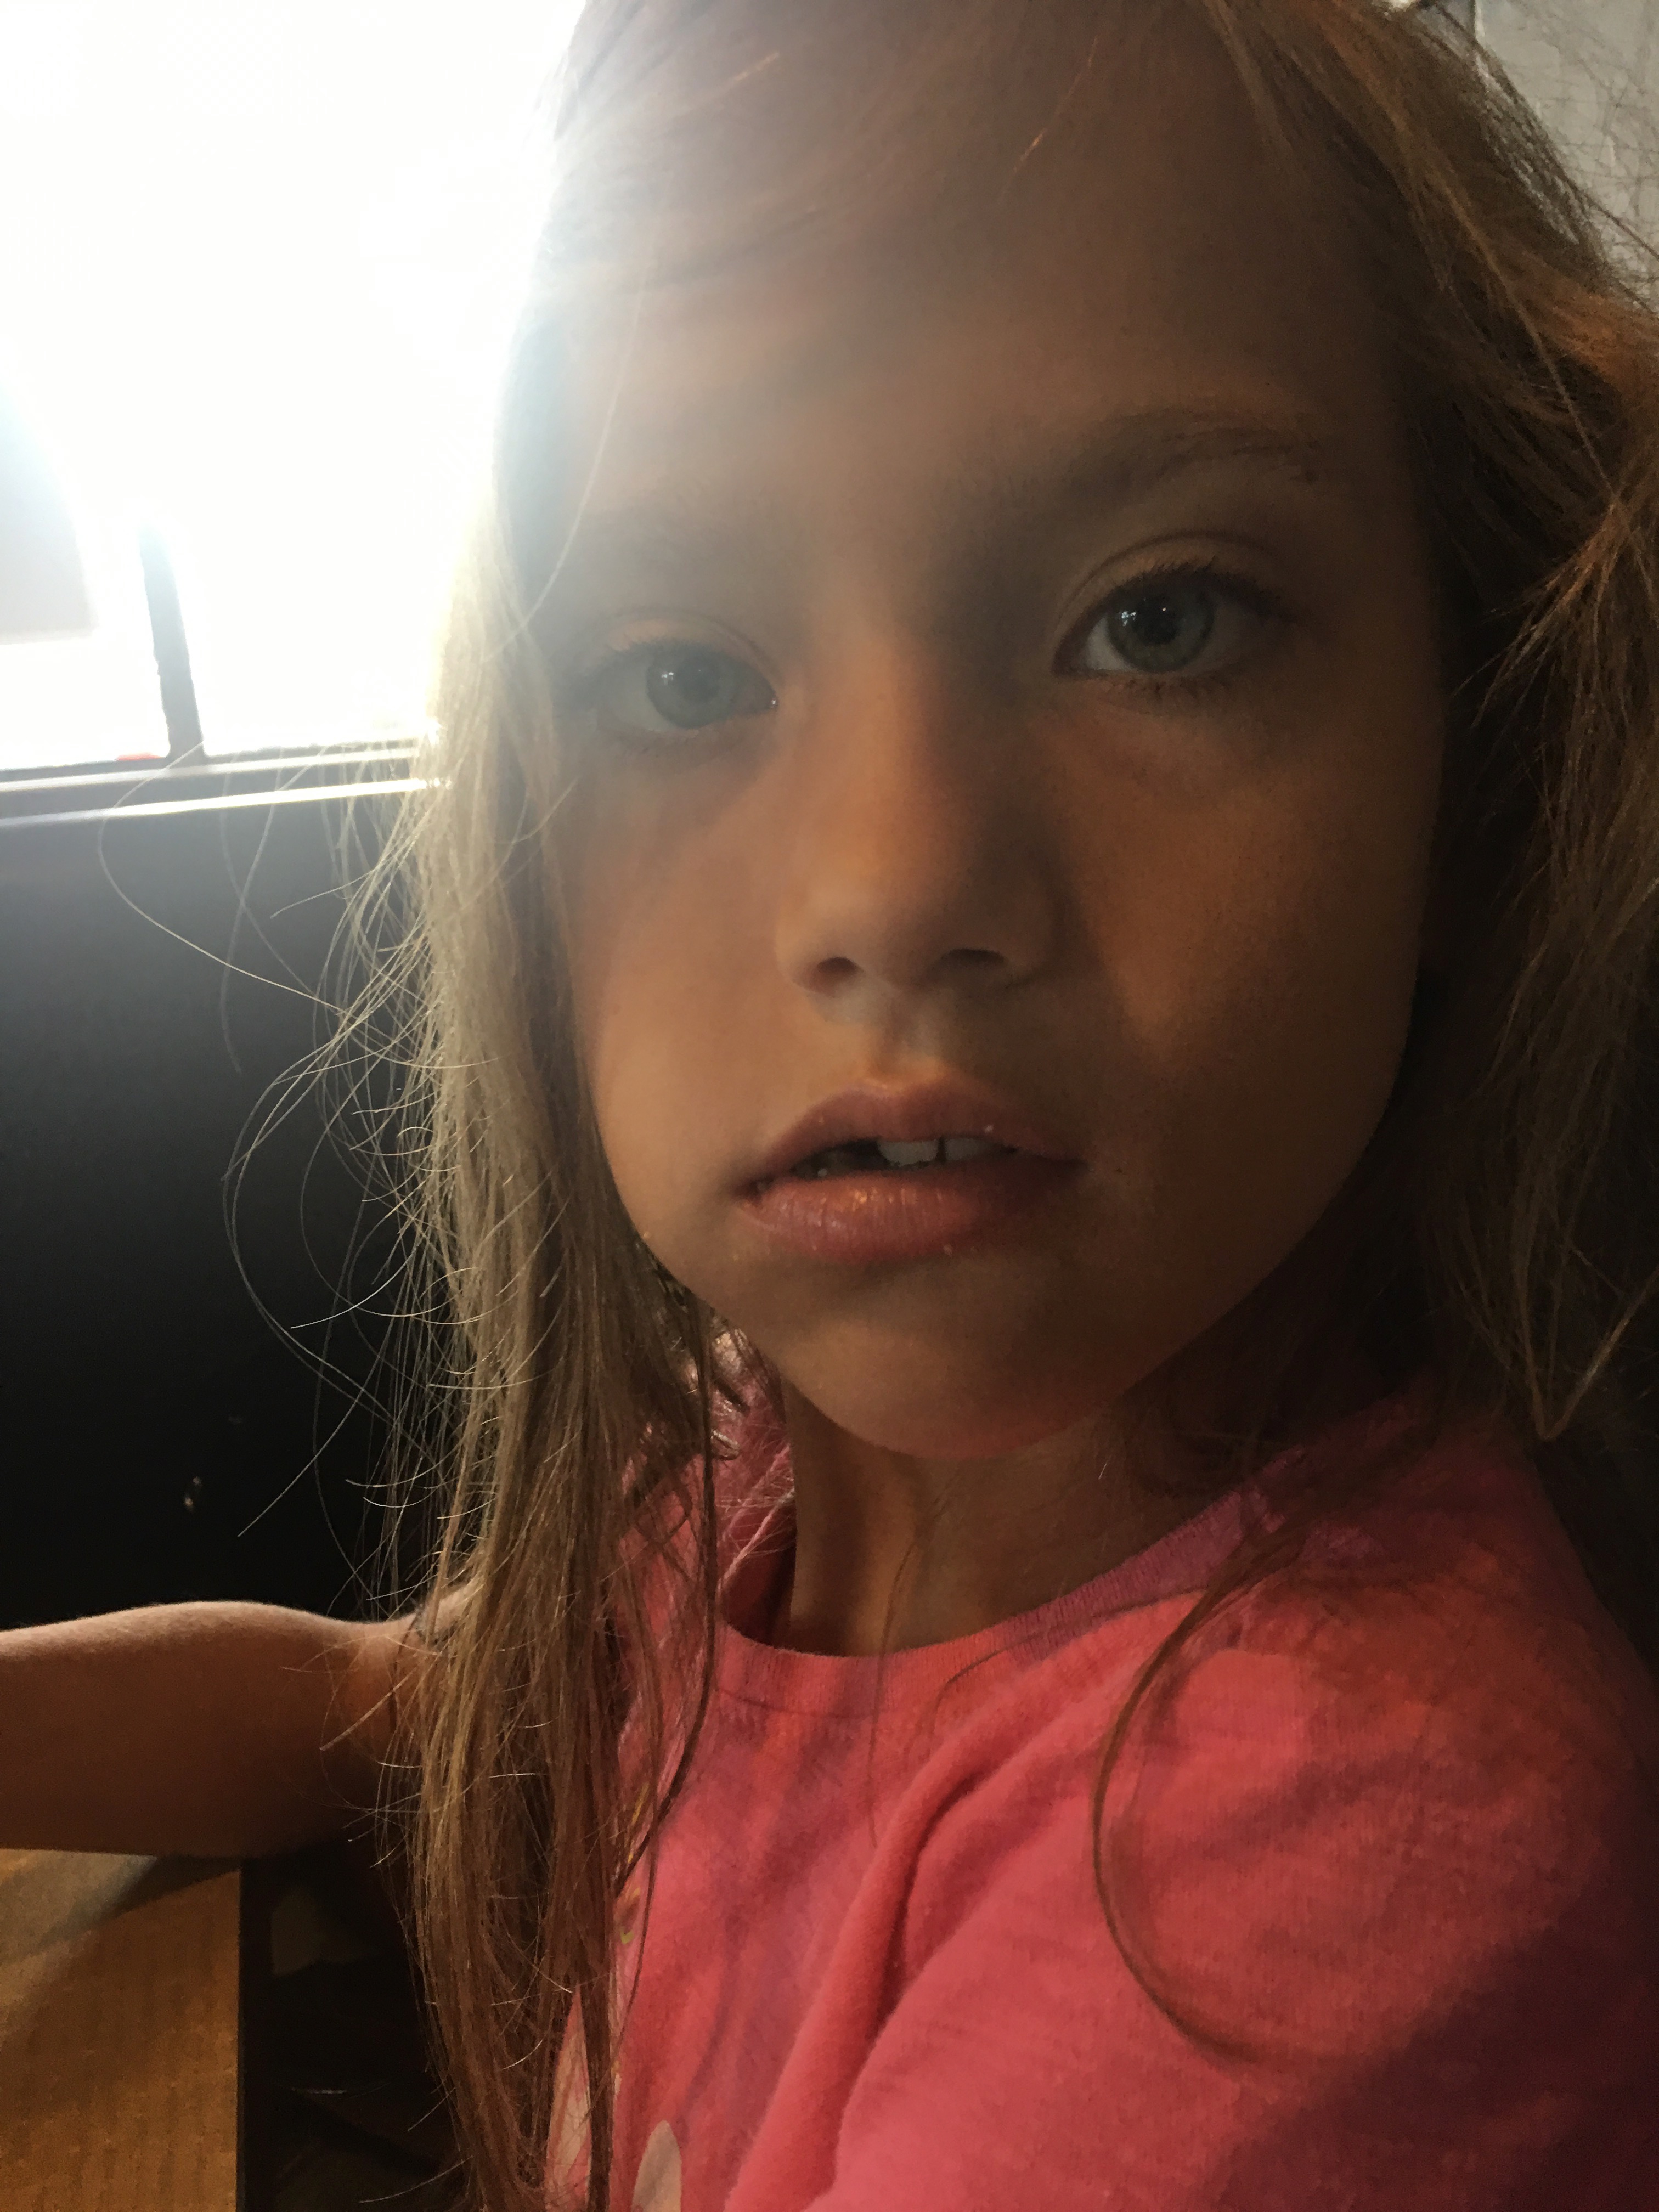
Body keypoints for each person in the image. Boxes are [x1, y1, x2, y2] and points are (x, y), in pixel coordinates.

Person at [4, 0, 1659, 2205]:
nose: (893, 883)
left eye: (1163, 622)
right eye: (684, 673)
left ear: (1483, 761)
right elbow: (390, 1712)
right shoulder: (757, 1465)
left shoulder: (1328, 1861)